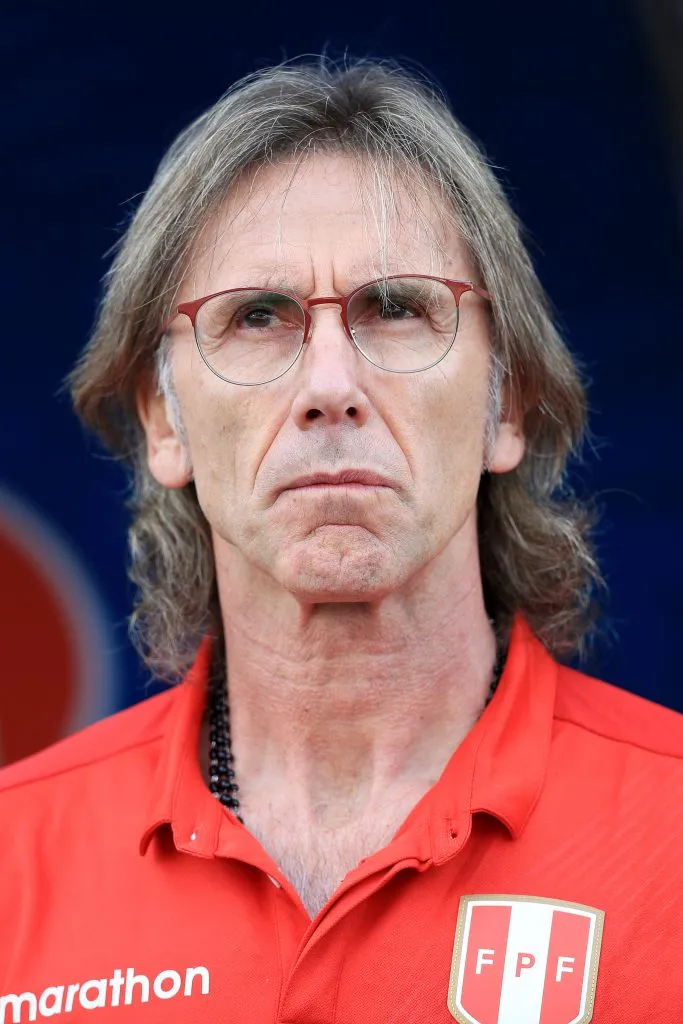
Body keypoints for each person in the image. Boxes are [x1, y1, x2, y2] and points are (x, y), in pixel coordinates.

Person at [1, 57, 681, 1024]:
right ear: (163, 420)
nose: (329, 383)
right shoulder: (12, 861)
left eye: (397, 308)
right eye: (257, 318)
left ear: (508, 404)